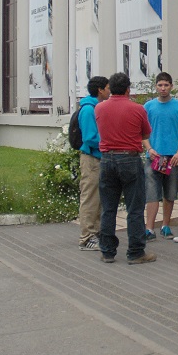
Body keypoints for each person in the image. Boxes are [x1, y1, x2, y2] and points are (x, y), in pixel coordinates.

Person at [93, 72, 156, 265]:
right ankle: (136, 251)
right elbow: (145, 132)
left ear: (110, 88)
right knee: (134, 208)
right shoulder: (138, 109)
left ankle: (107, 251)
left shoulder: (99, 108)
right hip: (129, 158)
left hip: (106, 159)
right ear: (128, 89)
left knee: (108, 208)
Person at [143, 71, 178, 240]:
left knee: (170, 193)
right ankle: (149, 228)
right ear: (156, 86)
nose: (163, 88)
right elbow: (142, 132)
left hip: (173, 157)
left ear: (171, 86)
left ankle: (166, 225)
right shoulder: (148, 107)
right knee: (151, 193)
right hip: (154, 157)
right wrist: (149, 149)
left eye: (166, 85)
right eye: (160, 85)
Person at [75, 76, 110, 251]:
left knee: (98, 198)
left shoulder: (96, 107)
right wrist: (108, 144)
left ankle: (95, 232)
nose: (110, 91)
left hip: (98, 158)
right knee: (89, 197)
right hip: (91, 159)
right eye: (108, 88)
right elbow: (90, 137)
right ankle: (86, 237)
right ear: (100, 90)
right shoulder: (89, 109)